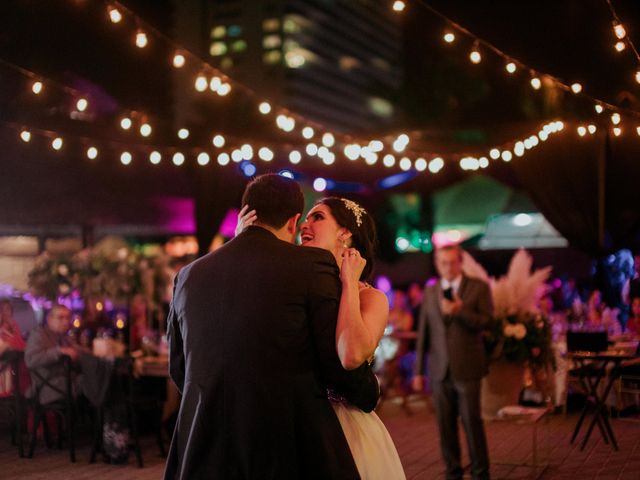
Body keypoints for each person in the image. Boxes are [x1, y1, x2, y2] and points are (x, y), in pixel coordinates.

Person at [165, 174, 379, 480]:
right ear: (293, 222)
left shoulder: (188, 275)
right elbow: (334, 361)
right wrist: (369, 392)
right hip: (281, 439)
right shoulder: (310, 266)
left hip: (204, 439)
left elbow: (179, 366)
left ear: (246, 211)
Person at [412, 245, 493, 480]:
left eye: (451, 262)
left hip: (467, 367)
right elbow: (423, 334)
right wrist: (418, 371)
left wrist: (461, 311)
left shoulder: (478, 287)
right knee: (444, 426)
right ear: (437, 264)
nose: (447, 267)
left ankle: (480, 472)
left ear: (460, 262)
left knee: (471, 423)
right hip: (439, 369)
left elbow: (488, 322)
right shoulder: (430, 292)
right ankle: (453, 471)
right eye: (443, 263)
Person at [24, 304, 84, 404]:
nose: (65, 322)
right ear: (49, 319)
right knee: (93, 381)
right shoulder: (39, 334)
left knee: (98, 377)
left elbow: (77, 355)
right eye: (60, 318)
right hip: (48, 387)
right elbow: (31, 359)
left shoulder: (63, 337)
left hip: (65, 382)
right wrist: (59, 351)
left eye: (67, 318)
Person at [0, 299, 26, 397]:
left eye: (10, 309)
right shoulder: (3, 328)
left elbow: (20, 344)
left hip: (17, 363)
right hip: (7, 369)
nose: (8, 312)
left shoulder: (14, 325)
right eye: (5, 309)